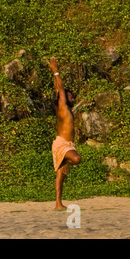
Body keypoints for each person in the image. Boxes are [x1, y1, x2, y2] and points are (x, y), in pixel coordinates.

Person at [48, 57, 82, 210]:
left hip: (66, 144)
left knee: (60, 175)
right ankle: (68, 161)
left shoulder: (65, 110)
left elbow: (58, 90)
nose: (72, 97)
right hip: (63, 144)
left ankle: (58, 203)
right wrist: (55, 70)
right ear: (64, 98)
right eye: (70, 96)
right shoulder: (63, 107)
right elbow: (60, 90)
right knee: (76, 158)